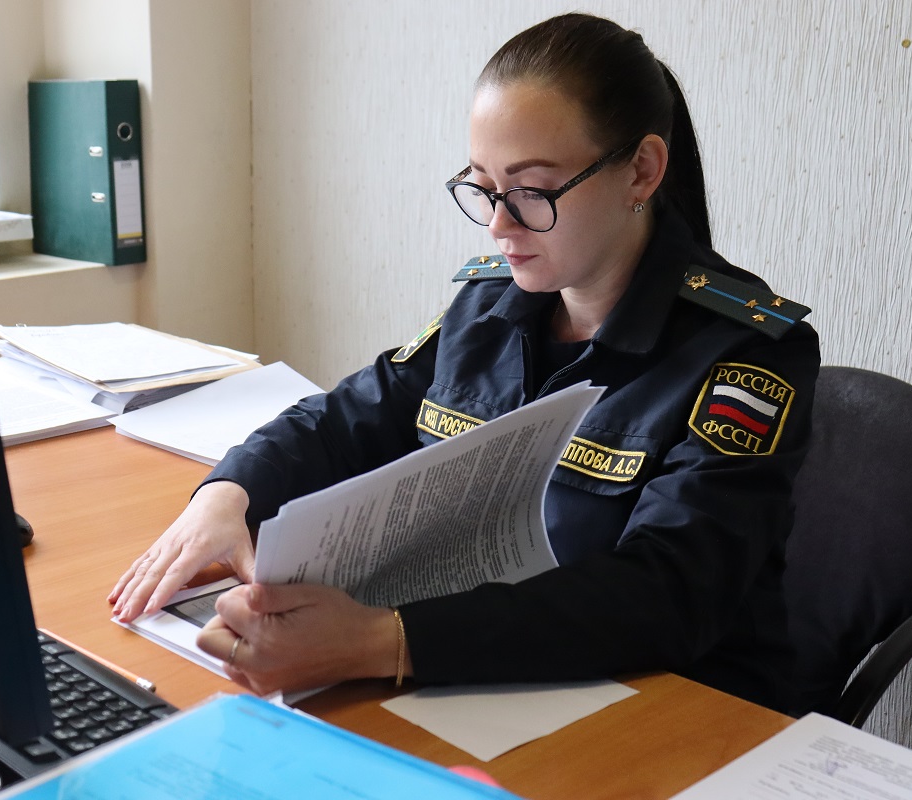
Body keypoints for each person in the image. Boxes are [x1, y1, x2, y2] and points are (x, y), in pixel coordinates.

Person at [109, 12, 820, 713]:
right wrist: (227, 494)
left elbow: (667, 591)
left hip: (673, 712)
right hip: (485, 684)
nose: (499, 225)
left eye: (532, 192)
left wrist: (382, 643)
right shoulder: (490, 306)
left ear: (641, 171)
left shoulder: (746, 352)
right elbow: (346, 417)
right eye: (483, 187)